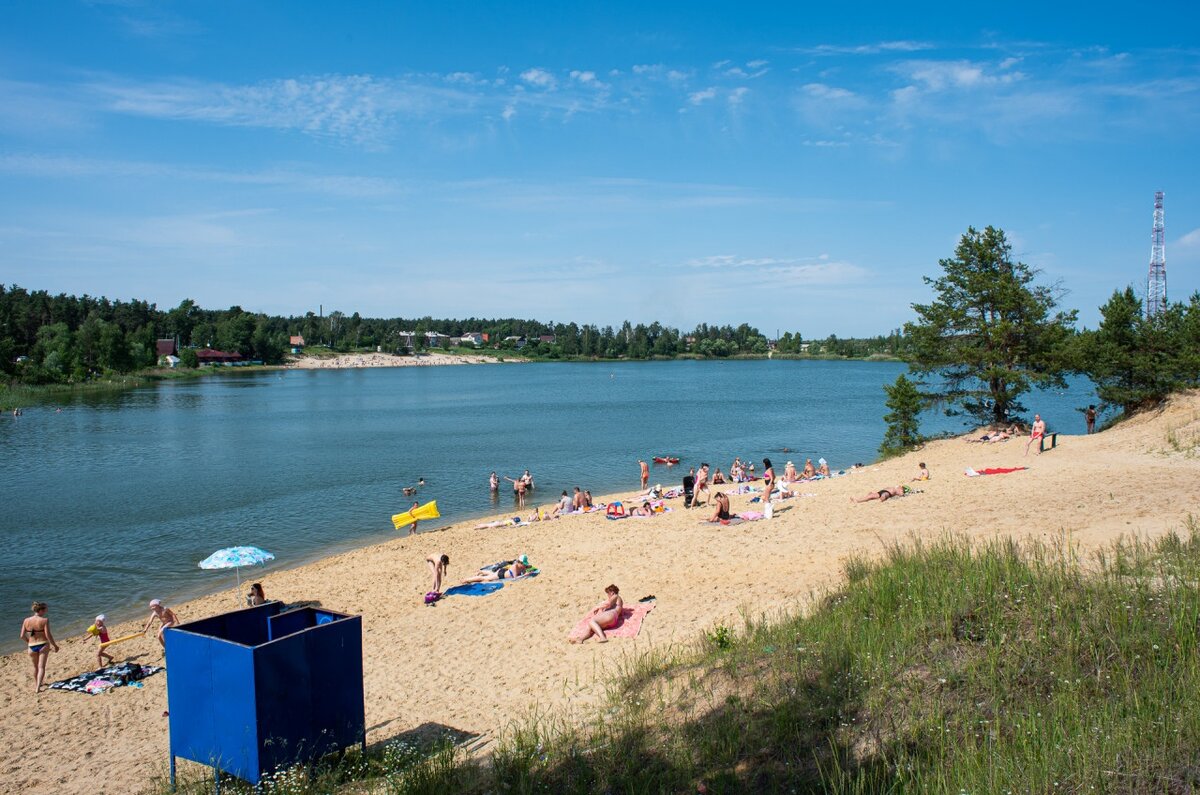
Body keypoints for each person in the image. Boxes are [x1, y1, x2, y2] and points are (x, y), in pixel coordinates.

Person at [20, 602, 59, 693]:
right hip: (43, 644)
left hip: (31, 646)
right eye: (45, 609)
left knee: (35, 667)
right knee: (41, 667)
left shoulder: (26, 620)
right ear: (41, 610)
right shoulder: (44, 620)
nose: (46, 610)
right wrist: (55, 646)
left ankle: (37, 684)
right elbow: (48, 635)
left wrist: (29, 642)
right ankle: (38, 687)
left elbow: (22, 635)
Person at [459, 556, 530, 584]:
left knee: (492, 575)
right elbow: (515, 578)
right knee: (484, 578)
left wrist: (525, 572)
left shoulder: (523, 567)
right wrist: (525, 575)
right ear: (520, 562)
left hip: (504, 572)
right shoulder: (515, 566)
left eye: (525, 564)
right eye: (523, 563)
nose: (524, 565)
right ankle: (466, 580)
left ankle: (482, 572)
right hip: (501, 574)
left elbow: (524, 572)